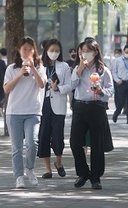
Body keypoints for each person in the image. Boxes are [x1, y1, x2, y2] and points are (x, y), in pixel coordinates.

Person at [70, 37, 114, 190]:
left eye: (88, 51)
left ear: (95, 52)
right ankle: (83, 172)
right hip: (80, 107)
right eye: (82, 52)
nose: (85, 54)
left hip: (97, 107)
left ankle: (96, 177)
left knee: (97, 144)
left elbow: (111, 89)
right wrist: (79, 70)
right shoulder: (77, 69)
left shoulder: (103, 70)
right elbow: (71, 85)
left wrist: (101, 91)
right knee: (75, 142)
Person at [3, 36, 46, 189]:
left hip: (33, 111)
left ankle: (30, 168)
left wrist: (33, 68)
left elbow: (42, 85)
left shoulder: (40, 67)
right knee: (17, 147)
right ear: (19, 50)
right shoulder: (12, 68)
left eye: (30, 49)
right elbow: (7, 89)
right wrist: (20, 73)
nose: (27, 52)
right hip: (14, 112)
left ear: (34, 51)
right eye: (24, 49)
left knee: (32, 143)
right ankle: (19, 176)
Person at [38, 39, 72, 179]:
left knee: (58, 135)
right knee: (43, 135)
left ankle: (58, 162)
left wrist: (58, 88)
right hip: (42, 104)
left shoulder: (64, 66)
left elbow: (70, 85)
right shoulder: (39, 64)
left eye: (57, 51)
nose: (54, 53)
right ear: (46, 50)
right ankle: (48, 169)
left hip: (58, 105)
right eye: (52, 50)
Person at [111, 44, 128, 124]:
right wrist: (117, 80)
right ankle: (116, 114)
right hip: (121, 83)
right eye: (126, 52)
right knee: (121, 102)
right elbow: (114, 72)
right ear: (123, 52)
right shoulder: (117, 60)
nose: (127, 54)